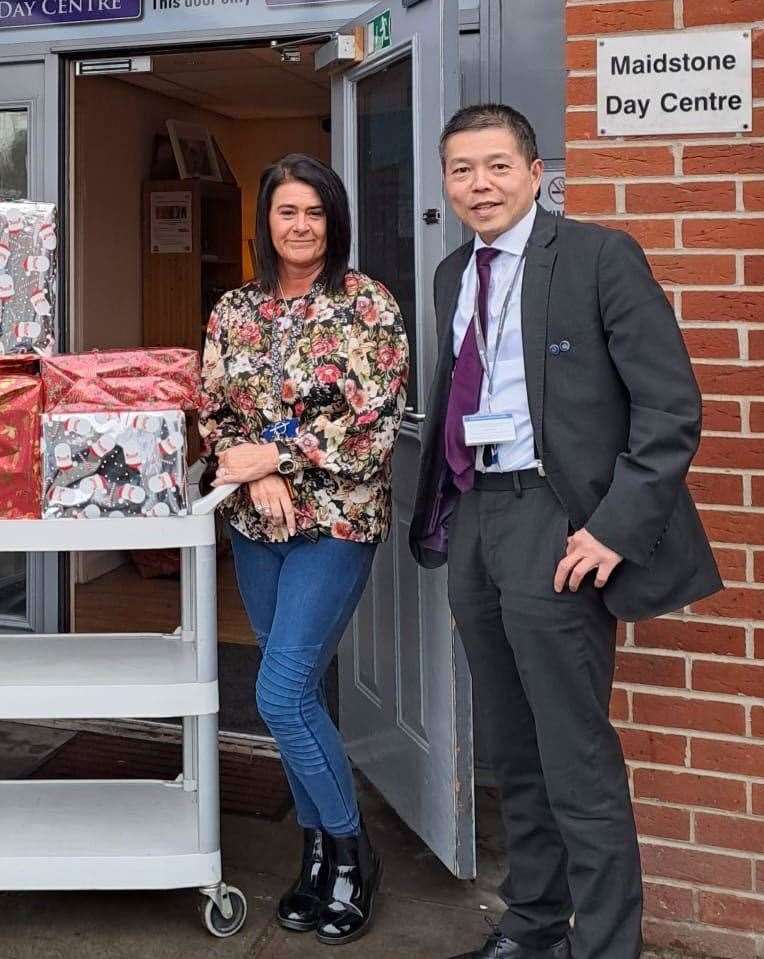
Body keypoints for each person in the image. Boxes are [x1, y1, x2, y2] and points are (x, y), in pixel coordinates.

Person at [410, 105, 722, 959]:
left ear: (536, 171)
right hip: (477, 515)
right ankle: (533, 922)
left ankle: (607, 945)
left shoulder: (596, 257)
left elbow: (670, 406)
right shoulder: (451, 274)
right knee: (512, 745)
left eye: (498, 166)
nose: (481, 184)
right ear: (446, 181)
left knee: (575, 754)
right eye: (463, 169)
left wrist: (614, 529)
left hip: (558, 521)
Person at [199, 153, 409, 945]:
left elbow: (373, 423)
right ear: (267, 222)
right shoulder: (234, 310)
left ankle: (353, 851)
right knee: (303, 697)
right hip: (259, 528)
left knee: (280, 694)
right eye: (286, 212)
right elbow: (214, 410)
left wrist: (275, 455)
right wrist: (253, 474)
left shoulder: (367, 305)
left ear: (334, 220)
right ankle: (316, 851)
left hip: (339, 524)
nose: (300, 226)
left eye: (314, 213)